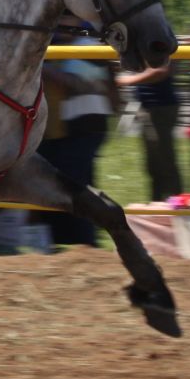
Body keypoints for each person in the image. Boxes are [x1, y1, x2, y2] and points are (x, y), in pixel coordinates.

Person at [37, 19, 115, 246]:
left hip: (85, 128)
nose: (57, 34)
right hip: (70, 130)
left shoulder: (87, 46)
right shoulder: (70, 47)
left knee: (75, 186)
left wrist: (39, 65)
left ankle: (85, 242)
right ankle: (71, 240)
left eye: (62, 27)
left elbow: (78, 83)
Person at [117, 47, 182, 205]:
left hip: (160, 108)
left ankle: (177, 205)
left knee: (164, 161)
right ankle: (158, 202)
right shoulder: (143, 40)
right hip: (149, 107)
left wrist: (126, 80)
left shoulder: (156, 40)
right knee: (153, 163)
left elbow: (162, 70)